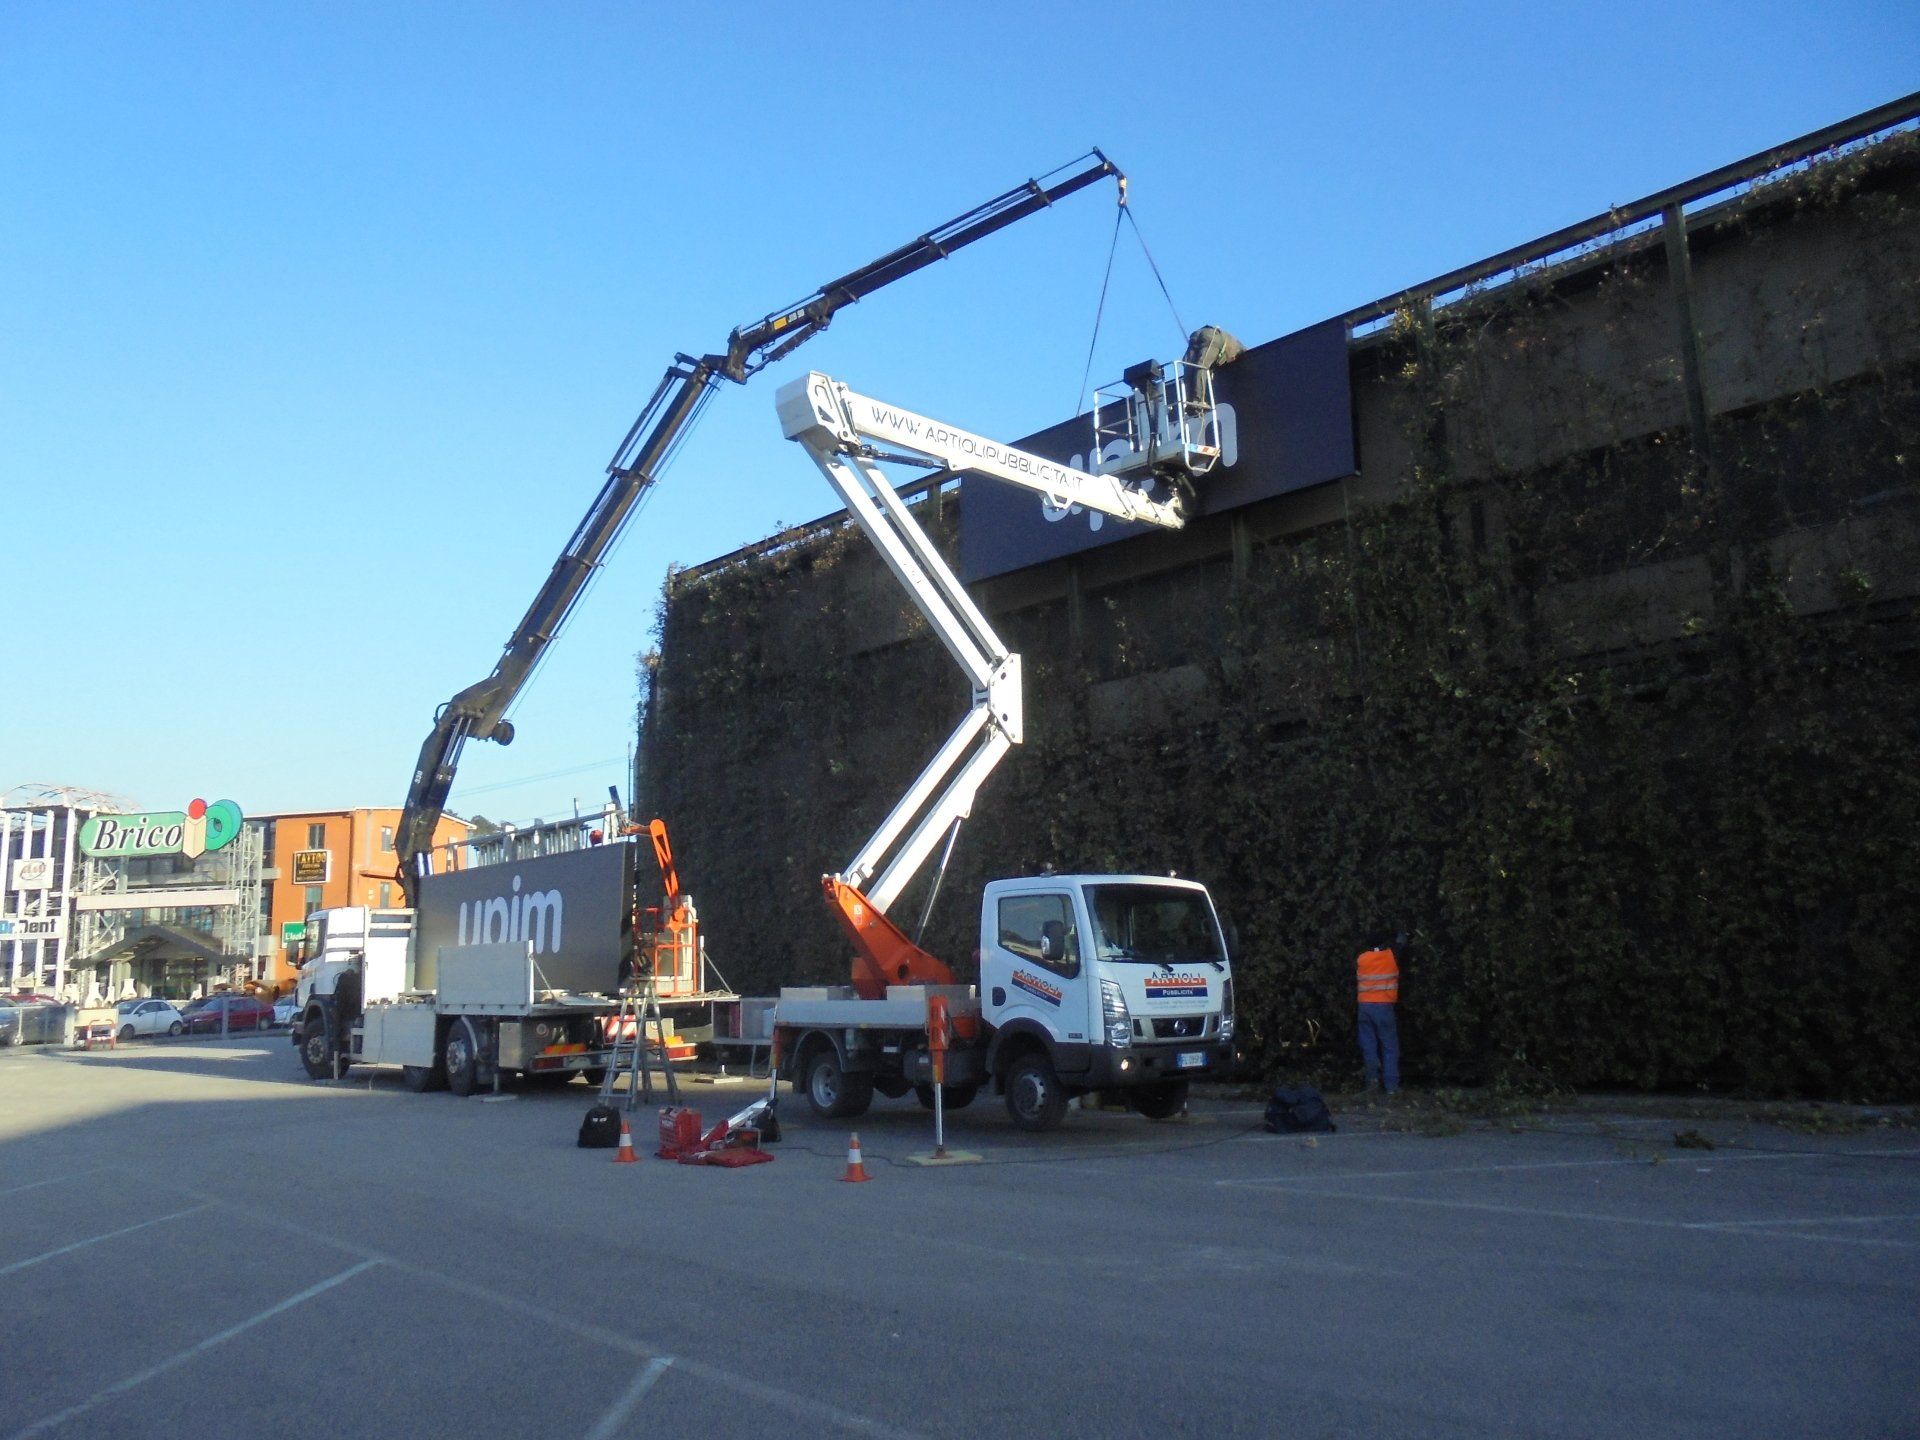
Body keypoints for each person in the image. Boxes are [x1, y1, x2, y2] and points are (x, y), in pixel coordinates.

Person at [1356, 933, 1404, 1094]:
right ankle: (1391, 1087)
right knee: (1389, 1047)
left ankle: (1372, 1083)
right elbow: (1401, 941)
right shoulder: (1391, 956)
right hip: (1384, 1007)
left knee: (1369, 1046)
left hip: (1364, 1007)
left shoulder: (1362, 958)